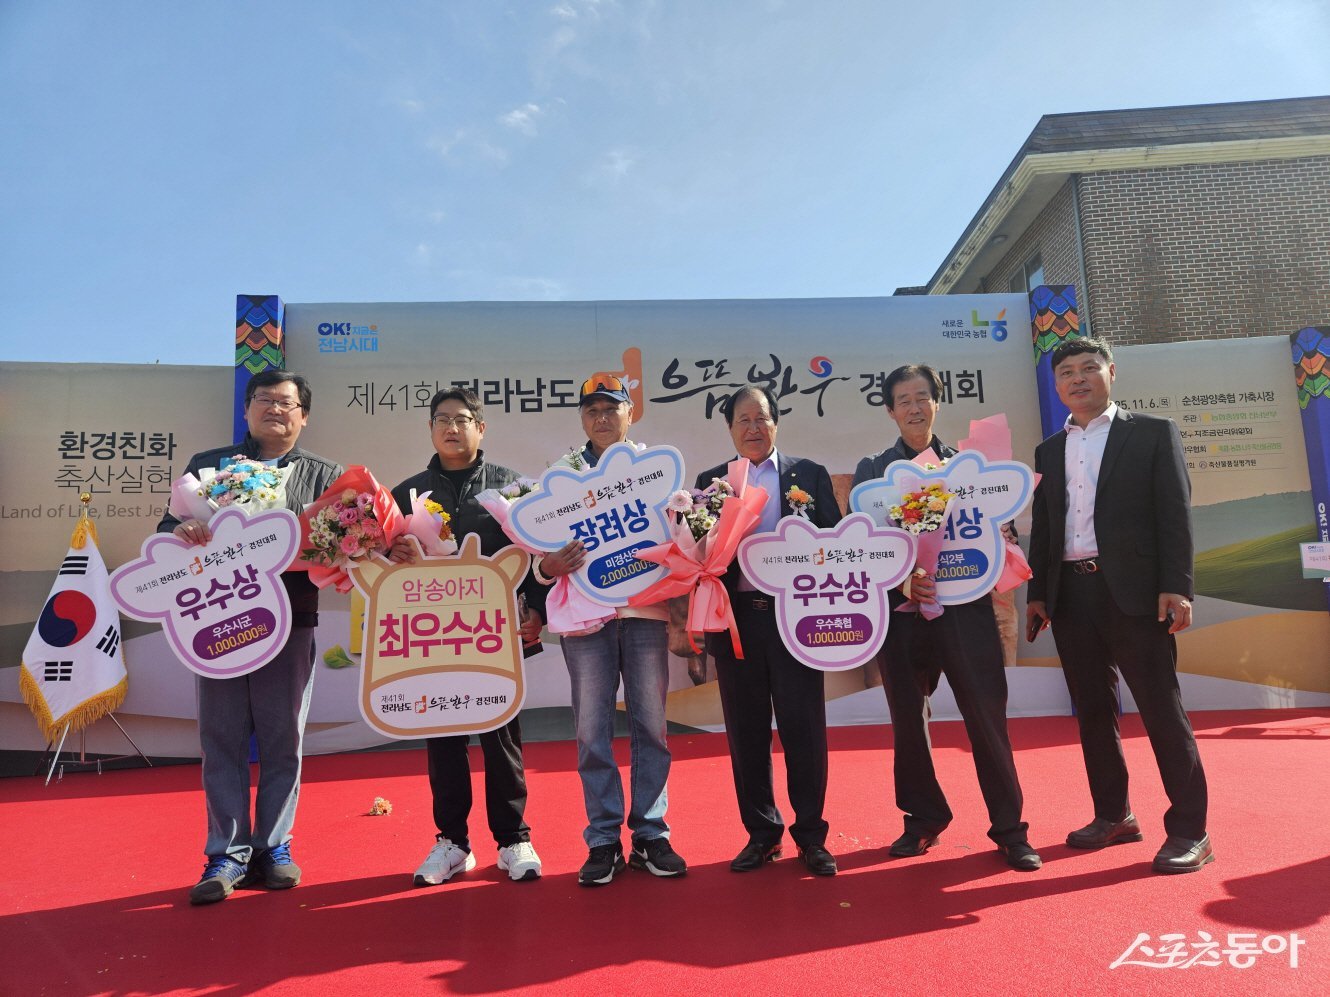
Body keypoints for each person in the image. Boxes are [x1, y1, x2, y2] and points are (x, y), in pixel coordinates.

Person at [1027, 337, 1212, 874]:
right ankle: (1114, 815)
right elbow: (1046, 526)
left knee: (1161, 709)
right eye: (1066, 372)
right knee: (1091, 712)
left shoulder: (1151, 433)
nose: (1077, 379)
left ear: (1111, 372)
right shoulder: (1048, 450)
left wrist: (1177, 585)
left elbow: (1175, 513)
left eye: (1089, 368)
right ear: (1056, 384)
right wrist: (1038, 594)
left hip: (1135, 594)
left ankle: (1191, 831)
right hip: (1071, 595)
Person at [159, 370, 343, 905]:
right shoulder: (208, 466)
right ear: (246, 410)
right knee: (222, 737)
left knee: (283, 737)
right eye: (264, 399)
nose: (274, 409)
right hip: (216, 621)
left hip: (291, 619)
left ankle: (274, 847)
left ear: (304, 416)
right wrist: (181, 531)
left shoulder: (325, 475)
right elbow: (164, 532)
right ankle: (226, 853)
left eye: (287, 403)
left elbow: (340, 545)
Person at [853, 364, 1040, 872]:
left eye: (923, 398)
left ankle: (1010, 829)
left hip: (966, 612)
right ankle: (923, 819)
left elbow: (999, 535)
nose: (914, 408)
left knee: (986, 715)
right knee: (909, 719)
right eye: (904, 400)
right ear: (890, 411)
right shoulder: (874, 472)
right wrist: (902, 581)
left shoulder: (968, 469)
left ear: (937, 403)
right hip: (902, 615)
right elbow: (864, 545)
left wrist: (1003, 541)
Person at [387, 387, 547, 886]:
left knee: (501, 737)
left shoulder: (512, 489)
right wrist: (392, 554)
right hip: (432, 640)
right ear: (431, 429)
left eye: (461, 419)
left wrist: (537, 610)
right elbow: (384, 565)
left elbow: (540, 556)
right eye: (442, 420)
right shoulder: (406, 495)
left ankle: (513, 838)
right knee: (443, 738)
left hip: (494, 638)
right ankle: (452, 841)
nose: (451, 428)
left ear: (481, 427)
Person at [537, 374, 687, 886]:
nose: (601, 418)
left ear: (630, 413)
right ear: (582, 418)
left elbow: (680, 539)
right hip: (586, 622)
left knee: (652, 727)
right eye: (592, 410)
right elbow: (538, 553)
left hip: (644, 614)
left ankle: (650, 834)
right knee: (591, 732)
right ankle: (602, 840)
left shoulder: (655, 472)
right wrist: (546, 567)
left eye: (611, 408)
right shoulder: (560, 477)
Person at [696, 384, 841, 876]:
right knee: (747, 734)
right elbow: (697, 552)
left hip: (795, 619)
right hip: (737, 619)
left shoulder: (809, 474)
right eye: (743, 420)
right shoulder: (712, 483)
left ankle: (812, 836)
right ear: (730, 429)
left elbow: (834, 543)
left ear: (776, 423)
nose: (753, 428)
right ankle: (762, 835)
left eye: (761, 418)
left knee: (805, 730)